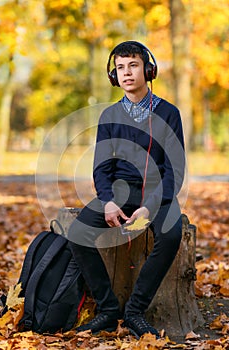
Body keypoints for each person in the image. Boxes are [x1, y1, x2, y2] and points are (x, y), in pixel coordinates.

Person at [68, 40, 185, 339]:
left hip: (158, 194)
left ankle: (134, 311)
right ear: (113, 75)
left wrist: (152, 207)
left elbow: (175, 170)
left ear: (148, 70)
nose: (127, 73)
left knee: (171, 235)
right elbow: (101, 168)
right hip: (118, 193)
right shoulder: (108, 116)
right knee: (78, 233)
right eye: (120, 67)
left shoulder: (169, 113)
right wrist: (107, 201)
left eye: (133, 65)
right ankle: (108, 311)